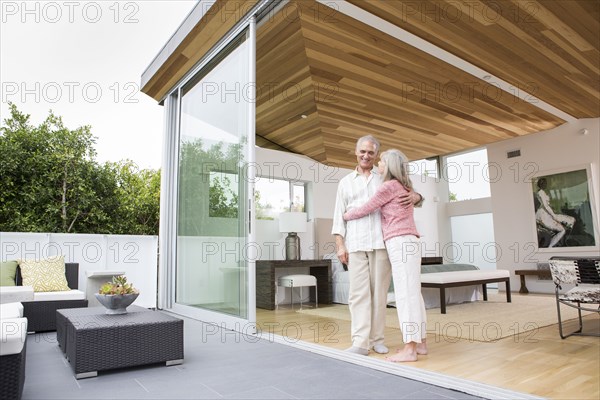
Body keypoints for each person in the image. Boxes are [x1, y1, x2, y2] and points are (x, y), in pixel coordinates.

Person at [331, 135, 422, 356]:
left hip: (381, 244)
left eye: (371, 152)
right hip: (356, 244)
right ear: (356, 152)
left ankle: (377, 339)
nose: (366, 155)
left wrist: (416, 196)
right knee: (358, 294)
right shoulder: (345, 182)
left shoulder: (384, 177)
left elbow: (409, 191)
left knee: (380, 294)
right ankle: (360, 342)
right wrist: (340, 245)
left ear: (376, 155)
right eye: (362, 151)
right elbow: (338, 218)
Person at [534, 178, 575, 247]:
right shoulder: (541, 192)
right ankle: (550, 247)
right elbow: (546, 206)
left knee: (570, 220)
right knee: (562, 230)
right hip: (543, 216)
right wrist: (554, 216)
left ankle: (555, 241)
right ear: (540, 184)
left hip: (545, 214)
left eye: (545, 183)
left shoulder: (542, 192)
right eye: (543, 183)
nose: (545, 184)